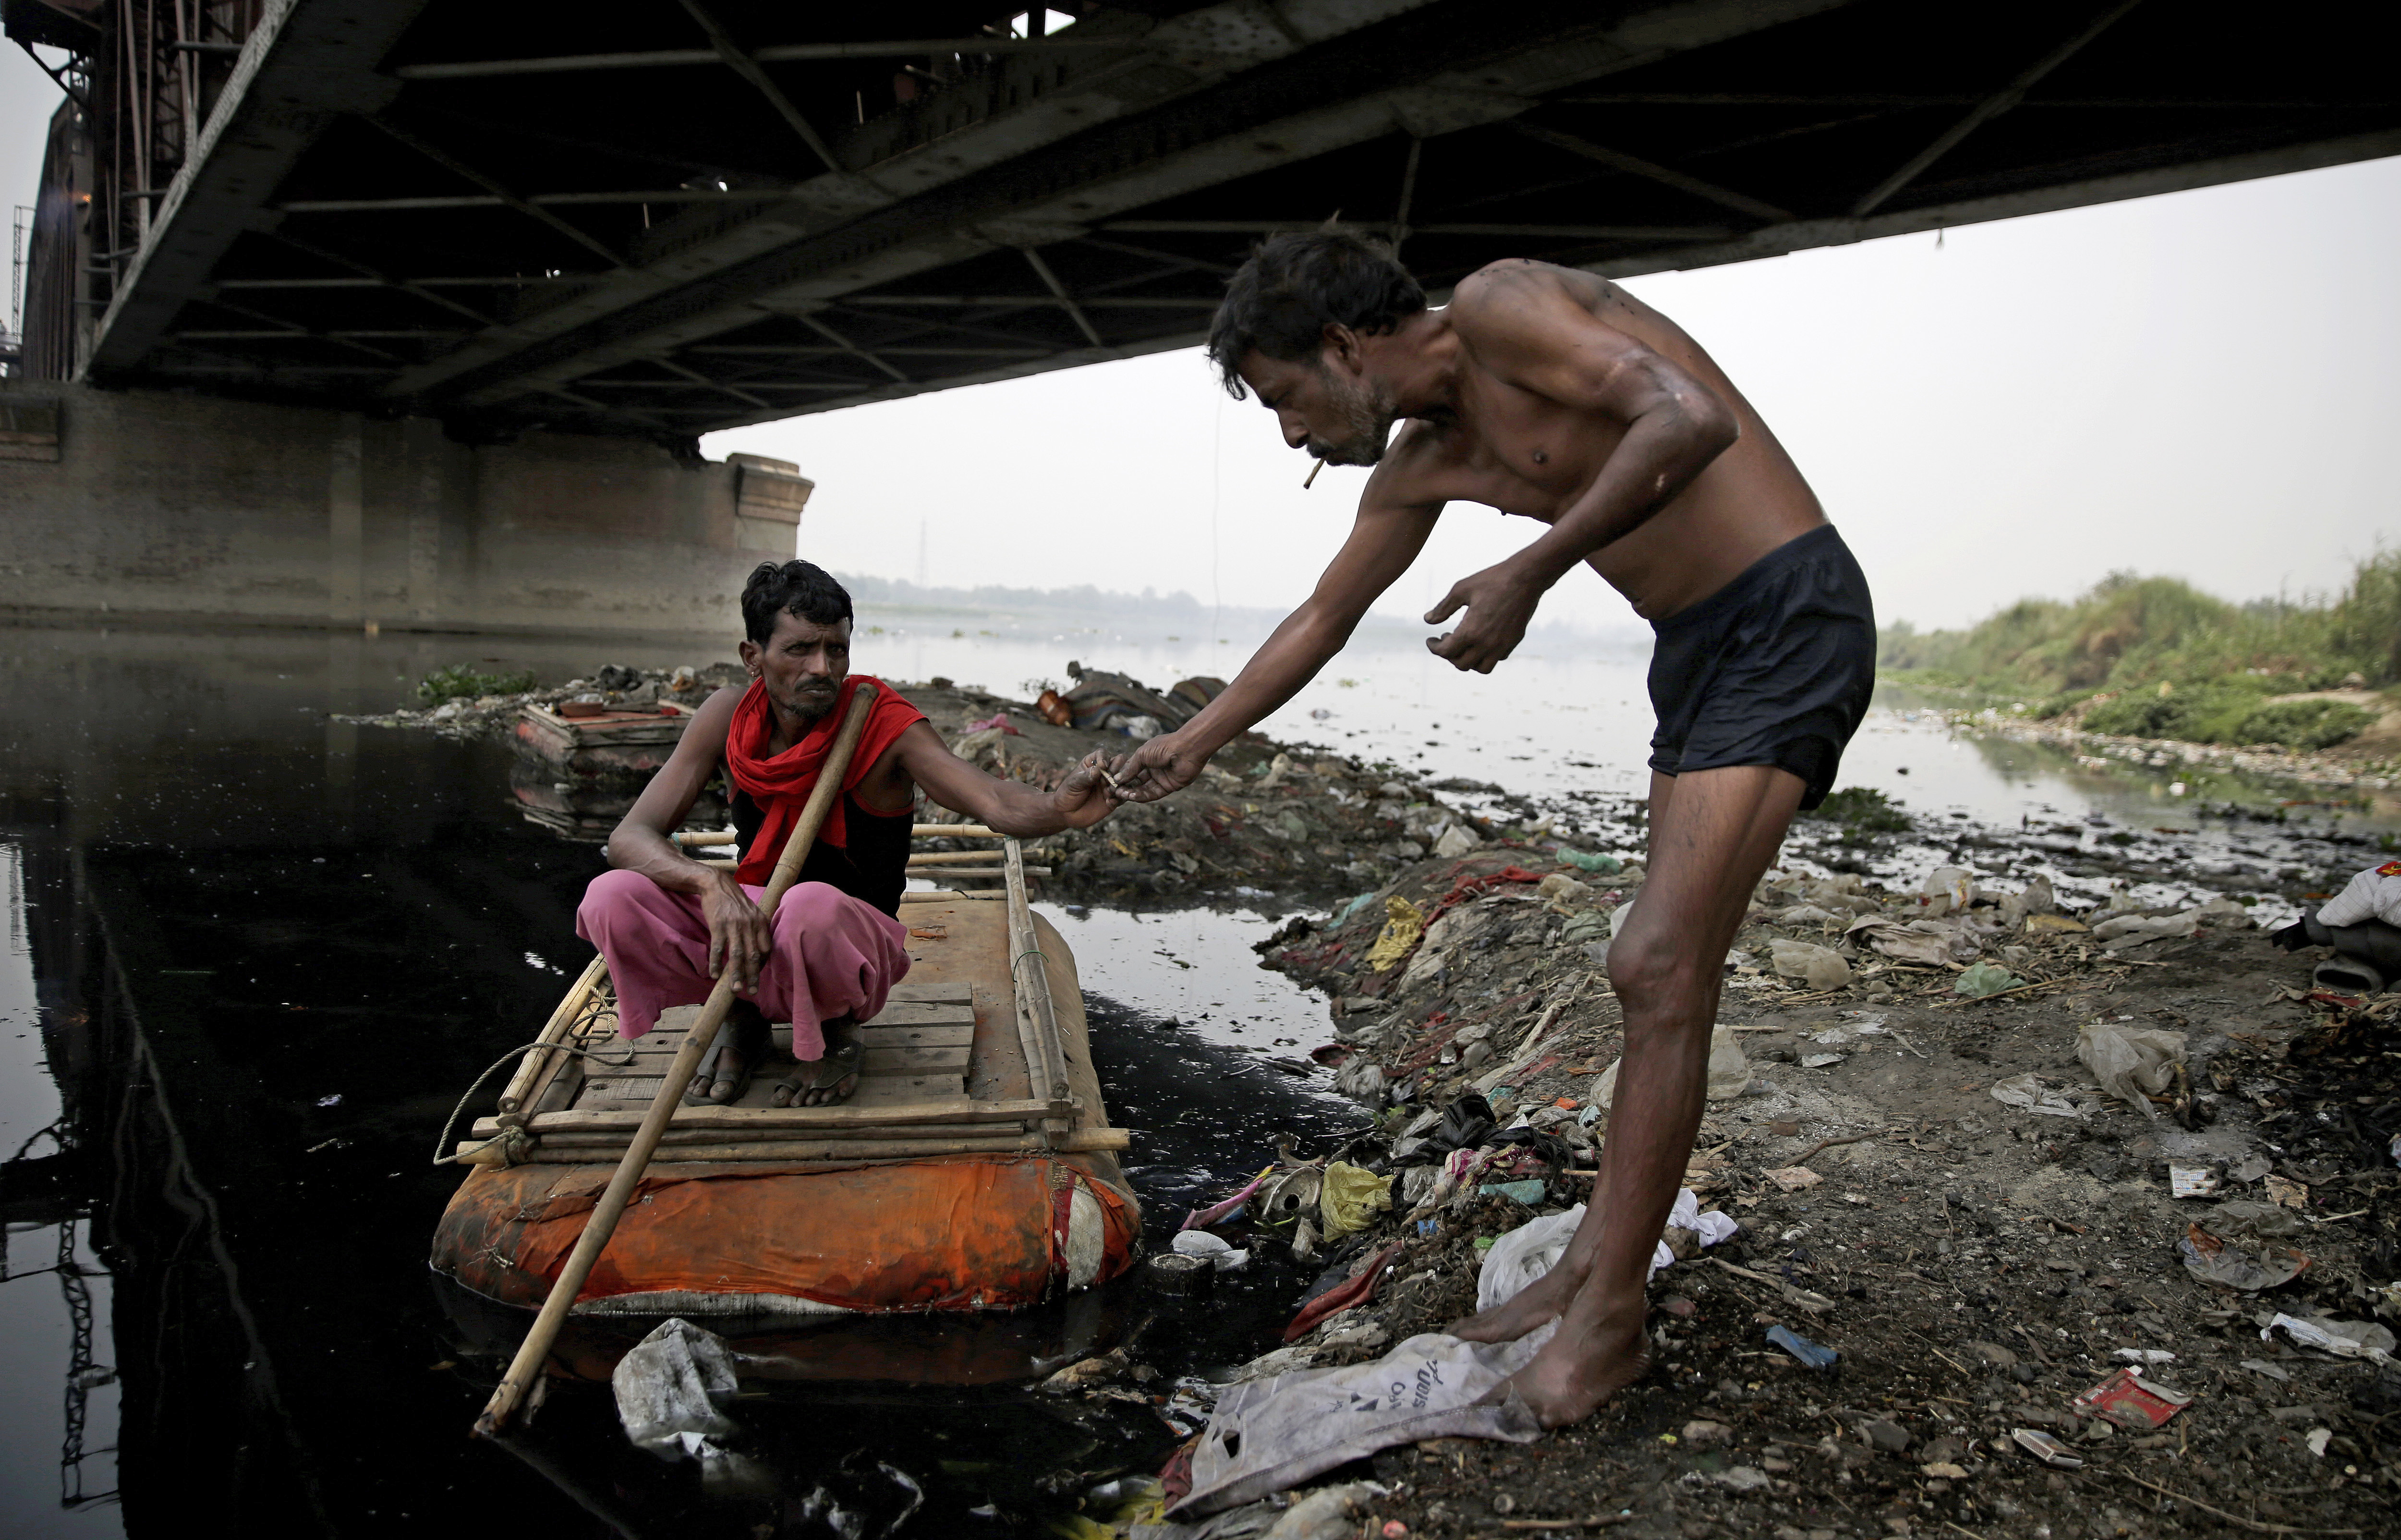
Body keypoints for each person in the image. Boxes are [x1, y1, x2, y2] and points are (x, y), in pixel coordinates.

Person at [1109, 227, 1876, 1424]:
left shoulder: (1504, 303)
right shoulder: (1417, 465)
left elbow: (1685, 420)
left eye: (1284, 400)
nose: (1291, 434)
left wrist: (1533, 568)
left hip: (1788, 614)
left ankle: (1607, 1326)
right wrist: (1194, 742)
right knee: (1660, 983)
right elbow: (1325, 613)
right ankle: (1587, 1270)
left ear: (1341, 343)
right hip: (1697, 655)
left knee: (1654, 962)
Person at [579, 559, 1117, 1107]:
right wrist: (710, 886)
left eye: (835, 649)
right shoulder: (727, 715)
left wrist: (1059, 808)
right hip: (758, 924)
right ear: (752, 657)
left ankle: (838, 1031)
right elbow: (630, 838)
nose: (821, 667)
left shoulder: (882, 721)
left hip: (847, 940)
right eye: (799, 650)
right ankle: (743, 1019)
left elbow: (992, 799)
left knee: (811, 906)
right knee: (613, 896)